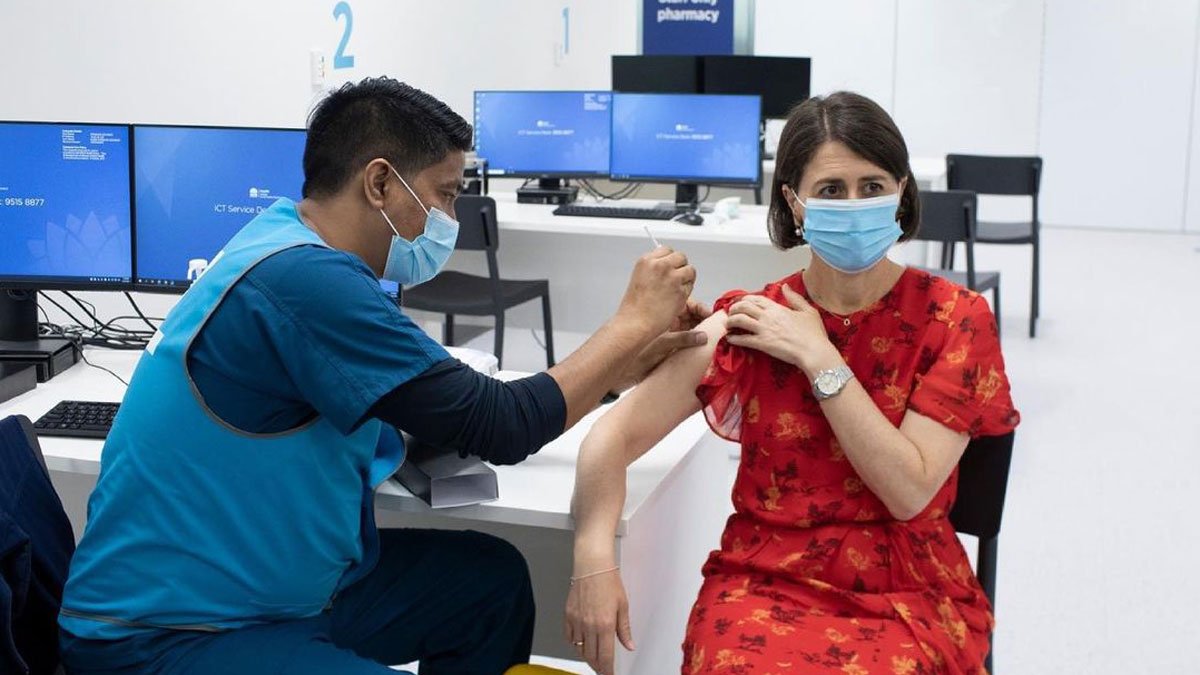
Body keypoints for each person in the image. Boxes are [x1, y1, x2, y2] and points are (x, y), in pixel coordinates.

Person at [57, 77, 708, 675]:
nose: (450, 218)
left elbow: (438, 404)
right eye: (445, 193)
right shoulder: (305, 280)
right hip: (170, 630)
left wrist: (621, 367)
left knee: (490, 582)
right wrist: (630, 323)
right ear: (379, 183)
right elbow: (499, 425)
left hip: (284, 588)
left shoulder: (287, 243)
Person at [565, 91, 1020, 675]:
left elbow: (908, 493)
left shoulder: (955, 319)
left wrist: (818, 356)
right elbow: (611, 438)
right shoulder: (750, 322)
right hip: (767, 577)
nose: (854, 204)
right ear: (794, 202)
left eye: (873, 185)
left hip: (904, 585)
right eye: (831, 189)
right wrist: (593, 557)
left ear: (902, 192)